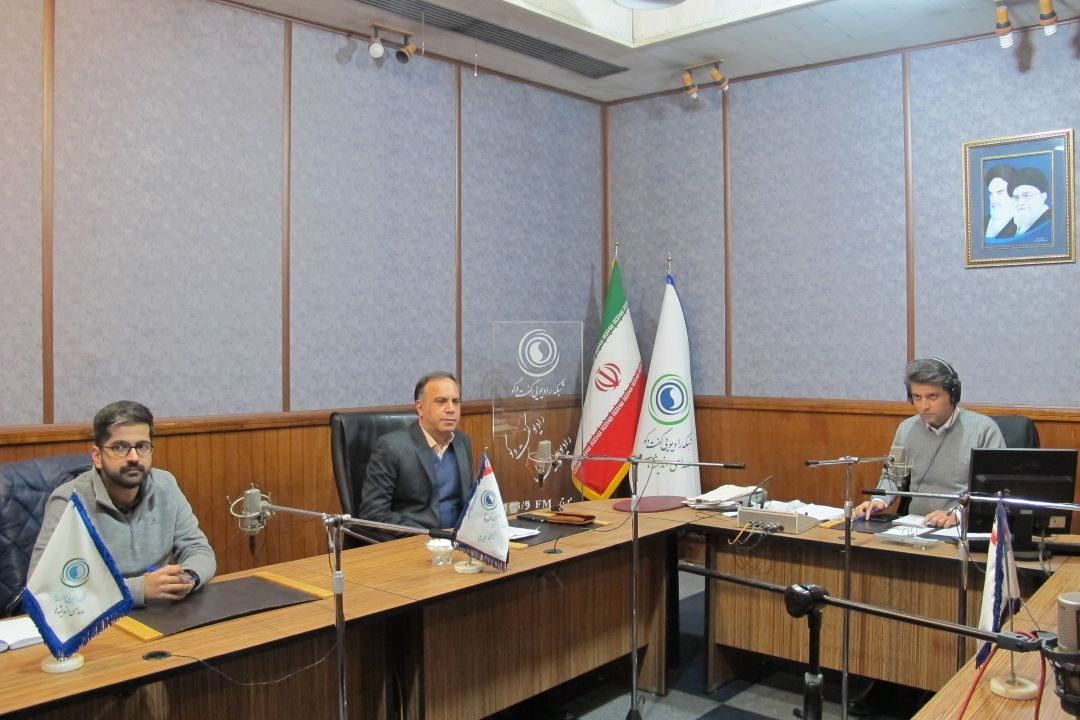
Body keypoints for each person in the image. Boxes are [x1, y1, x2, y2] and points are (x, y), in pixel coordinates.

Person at [29, 401, 216, 606]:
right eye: (120, 447)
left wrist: (187, 578)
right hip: (98, 617)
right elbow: (44, 587)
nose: (134, 458)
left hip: (160, 612)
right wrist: (138, 590)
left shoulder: (165, 485)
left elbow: (199, 550)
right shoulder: (69, 500)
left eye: (142, 446)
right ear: (97, 456)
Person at [855, 358, 1005, 528]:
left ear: (953, 395)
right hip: (914, 525)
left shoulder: (984, 430)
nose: (923, 406)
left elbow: (994, 491)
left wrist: (958, 514)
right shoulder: (906, 429)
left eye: (932, 396)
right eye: (917, 397)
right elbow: (893, 475)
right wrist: (879, 500)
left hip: (960, 527)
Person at [356, 371, 474, 536]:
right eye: (441, 401)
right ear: (420, 407)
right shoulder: (391, 447)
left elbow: (469, 501)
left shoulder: (462, 442)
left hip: (461, 539)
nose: (451, 409)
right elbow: (373, 513)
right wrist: (428, 535)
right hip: (417, 541)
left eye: (456, 401)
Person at [1009, 167, 1052, 238]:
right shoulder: (1015, 227)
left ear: (1043, 197)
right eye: (1016, 198)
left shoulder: (1049, 224)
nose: (1020, 202)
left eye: (1026, 196)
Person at [983, 164, 1017, 240]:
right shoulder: (982, 222)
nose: (993, 200)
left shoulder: (1021, 226)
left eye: (1000, 193)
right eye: (991, 194)